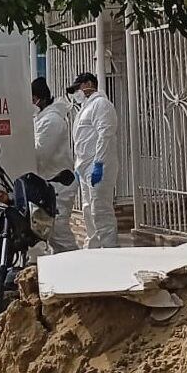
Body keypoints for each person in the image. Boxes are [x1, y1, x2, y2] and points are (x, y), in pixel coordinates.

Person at [67, 72, 120, 249]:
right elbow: (83, 139)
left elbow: (105, 135)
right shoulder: (85, 108)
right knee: (88, 209)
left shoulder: (101, 104)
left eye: (78, 88)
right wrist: (78, 166)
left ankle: (110, 249)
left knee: (101, 210)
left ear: (89, 84)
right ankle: (93, 248)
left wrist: (99, 163)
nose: (76, 93)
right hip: (84, 167)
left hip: (99, 166)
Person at [32, 77, 78, 253]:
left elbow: (40, 153)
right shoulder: (42, 118)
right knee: (51, 234)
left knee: (59, 233)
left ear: (40, 99)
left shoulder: (52, 121)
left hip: (59, 184)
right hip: (49, 183)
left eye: (32, 99)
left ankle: (77, 263)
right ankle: (64, 265)